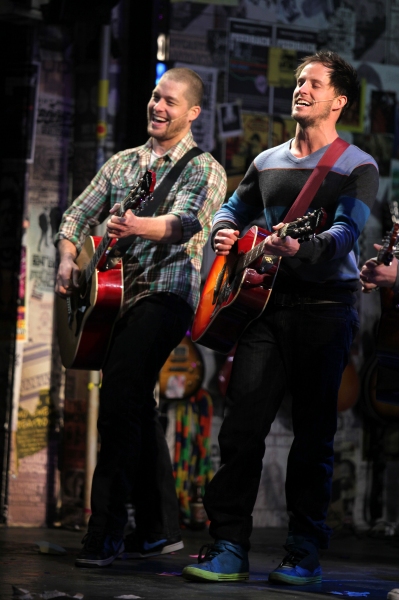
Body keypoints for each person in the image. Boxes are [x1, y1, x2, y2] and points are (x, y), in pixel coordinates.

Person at [183, 51, 379, 585]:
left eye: (315, 83)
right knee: (242, 430)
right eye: (299, 81)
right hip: (262, 309)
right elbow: (233, 208)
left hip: (324, 311)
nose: (302, 89)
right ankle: (228, 545)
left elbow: (345, 234)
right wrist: (226, 232)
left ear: (338, 100)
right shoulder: (267, 160)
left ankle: (302, 554)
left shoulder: (357, 165)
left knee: (314, 437)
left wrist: (301, 247)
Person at [54, 67, 227, 568]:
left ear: (192, 112)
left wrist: (135, 225)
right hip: (111, 301)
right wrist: (68, 258)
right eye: (155, 96)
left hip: (164, 296)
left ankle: (105, 531)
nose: (158, 106)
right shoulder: (123, 163)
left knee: (119, 399)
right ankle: (157, 529)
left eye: (170, 101)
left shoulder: (204, 168)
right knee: (135, 408)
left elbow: (186, 224)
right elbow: (74, 217)